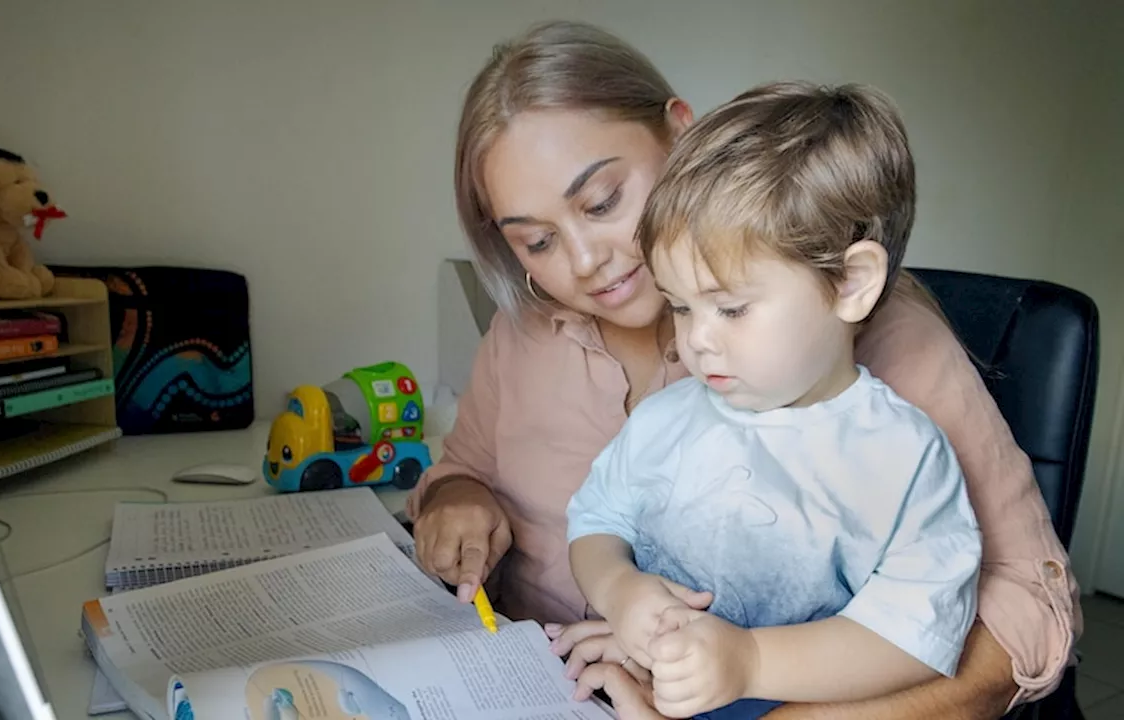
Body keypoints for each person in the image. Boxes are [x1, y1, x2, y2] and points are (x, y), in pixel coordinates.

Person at [407, 19, 1081, 719]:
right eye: (537, 241)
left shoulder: (880, 361)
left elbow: (1020, 610)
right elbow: (486, 477)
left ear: (679, 133)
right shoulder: (524, 335)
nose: (583, 261)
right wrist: (458, 493)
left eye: (603, 201)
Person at [564, 81, 983, 720]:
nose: (696, 341)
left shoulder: (902, 459)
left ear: (850, 283)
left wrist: (751, 661)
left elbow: (916, 639)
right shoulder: (669, 418)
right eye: (681, 305)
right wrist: (619, 589)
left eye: (731, 307)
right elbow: (597, 522)